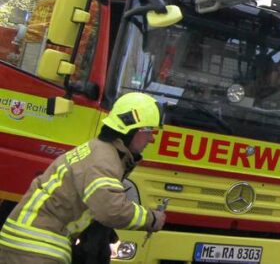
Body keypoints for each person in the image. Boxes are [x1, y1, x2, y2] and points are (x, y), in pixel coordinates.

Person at [0, 92, 168, 264]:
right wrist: (152, 219)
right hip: (36, 246)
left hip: (30, 241)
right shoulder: (104, 161)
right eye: (149, 130)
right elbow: (111, 209)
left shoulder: (99, 150)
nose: (152, 139)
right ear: (131, 128)